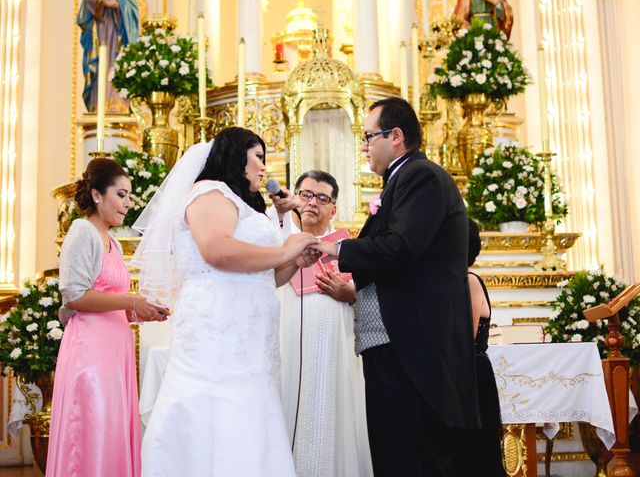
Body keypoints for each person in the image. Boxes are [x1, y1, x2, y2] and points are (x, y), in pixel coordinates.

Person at [133, 127, 320, 476]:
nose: (264, 167)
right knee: (218, 414)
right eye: (259, 156)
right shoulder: (208, 192)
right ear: (236, 154)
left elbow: (268, 276)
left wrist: (293, 262)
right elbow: (216, 251)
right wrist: (284, 249)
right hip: (218, 330)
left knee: (249, 414)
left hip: (250, 340)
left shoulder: (243, 207)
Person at [313, 97, 480, 476]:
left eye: (369, 136)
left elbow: (402, 247)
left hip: (411, 351)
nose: (364, 146)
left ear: (397, 136)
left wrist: (333, 247)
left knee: (409, 459)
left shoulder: (419, 176)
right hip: (395, 347)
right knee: (395, 457)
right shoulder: (401, 180)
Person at [48, 158, 169, 477]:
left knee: (112, 427)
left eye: (130, 196)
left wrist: (143, 311)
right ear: (98, 195)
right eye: (121, 194)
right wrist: (131, 300)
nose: (129, 203)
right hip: (90, 352)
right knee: (90, 429)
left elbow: (110, 300)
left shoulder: (112, 241)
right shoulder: (82, 232)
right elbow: (74, 295)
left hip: (115, 353)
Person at [268, 170, 373, 477]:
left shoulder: (347, 247)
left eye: (322, 198)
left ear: (334, 208)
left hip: (333, 341)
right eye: (306, 195)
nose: (313, 202)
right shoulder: (277, 235)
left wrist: (350, 293)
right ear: (295, 199)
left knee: (329, 407)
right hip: (286, 336)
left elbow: (370, 294)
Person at [453, 219, 505, 476]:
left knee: (476, 452)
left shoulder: (469, 281)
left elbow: (465, 335)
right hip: (461, 371)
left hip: (471, 372)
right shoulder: (453, 281)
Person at [77, 0, 139, 113]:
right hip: (101, 31)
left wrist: (120, 5)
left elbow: (133, 9)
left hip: (119, 35)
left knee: (117, 65)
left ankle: (118, 103)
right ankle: (99, 104)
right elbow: (88, 0)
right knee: (101, 67)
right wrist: (103, 1)